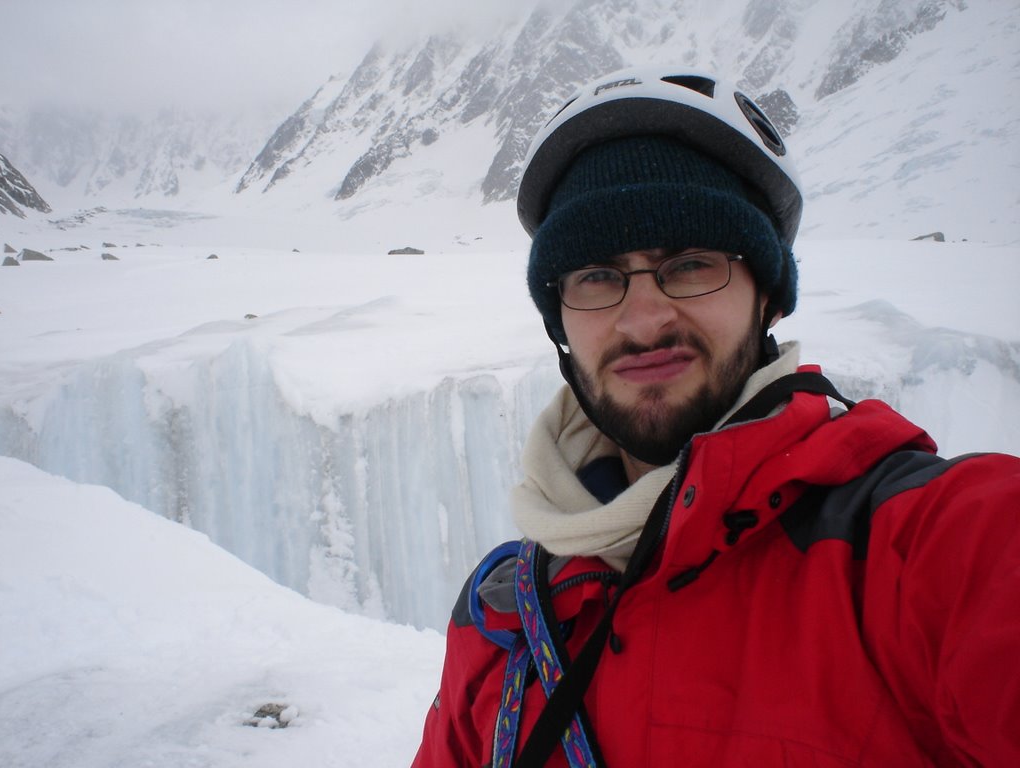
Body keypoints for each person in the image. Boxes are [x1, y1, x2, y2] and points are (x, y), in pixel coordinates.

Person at [412, 66, 1020, 767]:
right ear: (560, 320)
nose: (642, 320)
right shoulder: (502, 619)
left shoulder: (907, 552)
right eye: (597, 276)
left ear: (771, 297)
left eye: (693, 263)